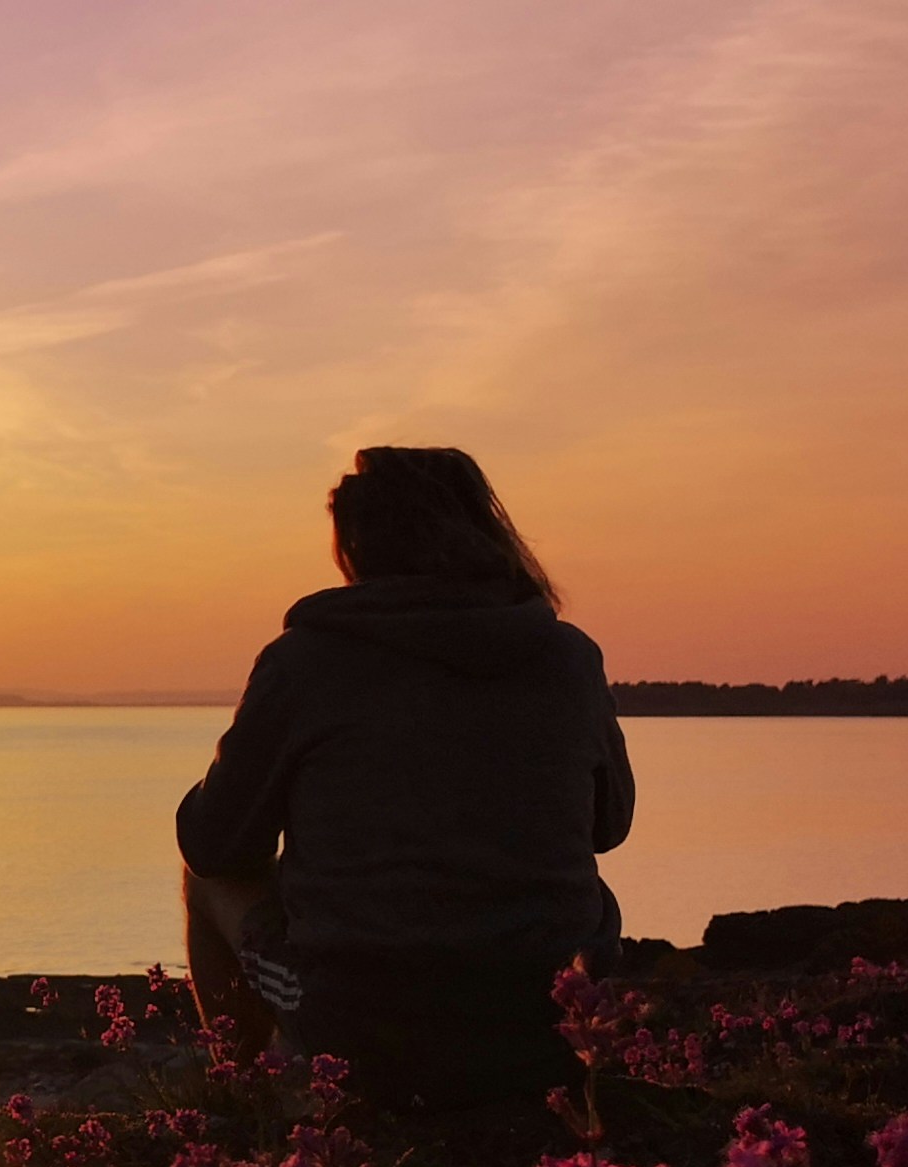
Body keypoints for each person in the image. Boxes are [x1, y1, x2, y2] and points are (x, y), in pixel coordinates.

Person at [176, 446, 634, 1109]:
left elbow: (215, 847)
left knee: (206, 883)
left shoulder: (305, 662)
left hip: (364, 1025)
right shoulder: (568, 658)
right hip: (542, 1026)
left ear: (356, 542)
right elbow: (608, 825)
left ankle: (249, 1100)